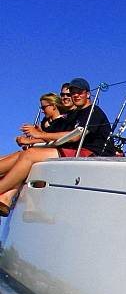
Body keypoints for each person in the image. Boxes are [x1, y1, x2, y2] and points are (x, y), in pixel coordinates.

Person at [0, 78, 118, 216]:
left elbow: (75, 136)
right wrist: (38, 136)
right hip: (74, 149)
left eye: (79, 92)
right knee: (23, 155)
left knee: (29, 155)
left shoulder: (93, 112)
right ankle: (5, 197)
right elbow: (64, 137)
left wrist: (37, 135)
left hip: (89, 153)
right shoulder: (76, 114)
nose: (75, 95)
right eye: (73, 92)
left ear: (88, 93)